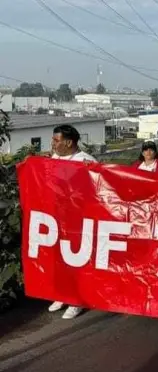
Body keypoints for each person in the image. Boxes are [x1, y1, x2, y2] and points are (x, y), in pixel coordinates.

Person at [47, 124, 97, 320]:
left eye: (56, 140)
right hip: (56, 218)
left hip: (78, 221)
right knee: (58, 259)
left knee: (76, 261)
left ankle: (77, 300)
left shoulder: (85, 161)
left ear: (68, 142)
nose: (53, 144)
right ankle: (61, 295)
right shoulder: (55, 158)